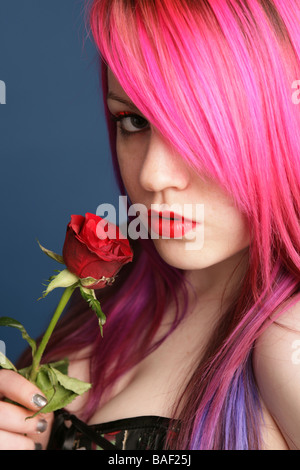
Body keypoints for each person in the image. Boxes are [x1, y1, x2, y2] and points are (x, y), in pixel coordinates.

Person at [1, 0, 300, 450]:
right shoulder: (110, 302)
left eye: (197, 125)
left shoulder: (289, 344)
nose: (152, 176)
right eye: (134, 121)